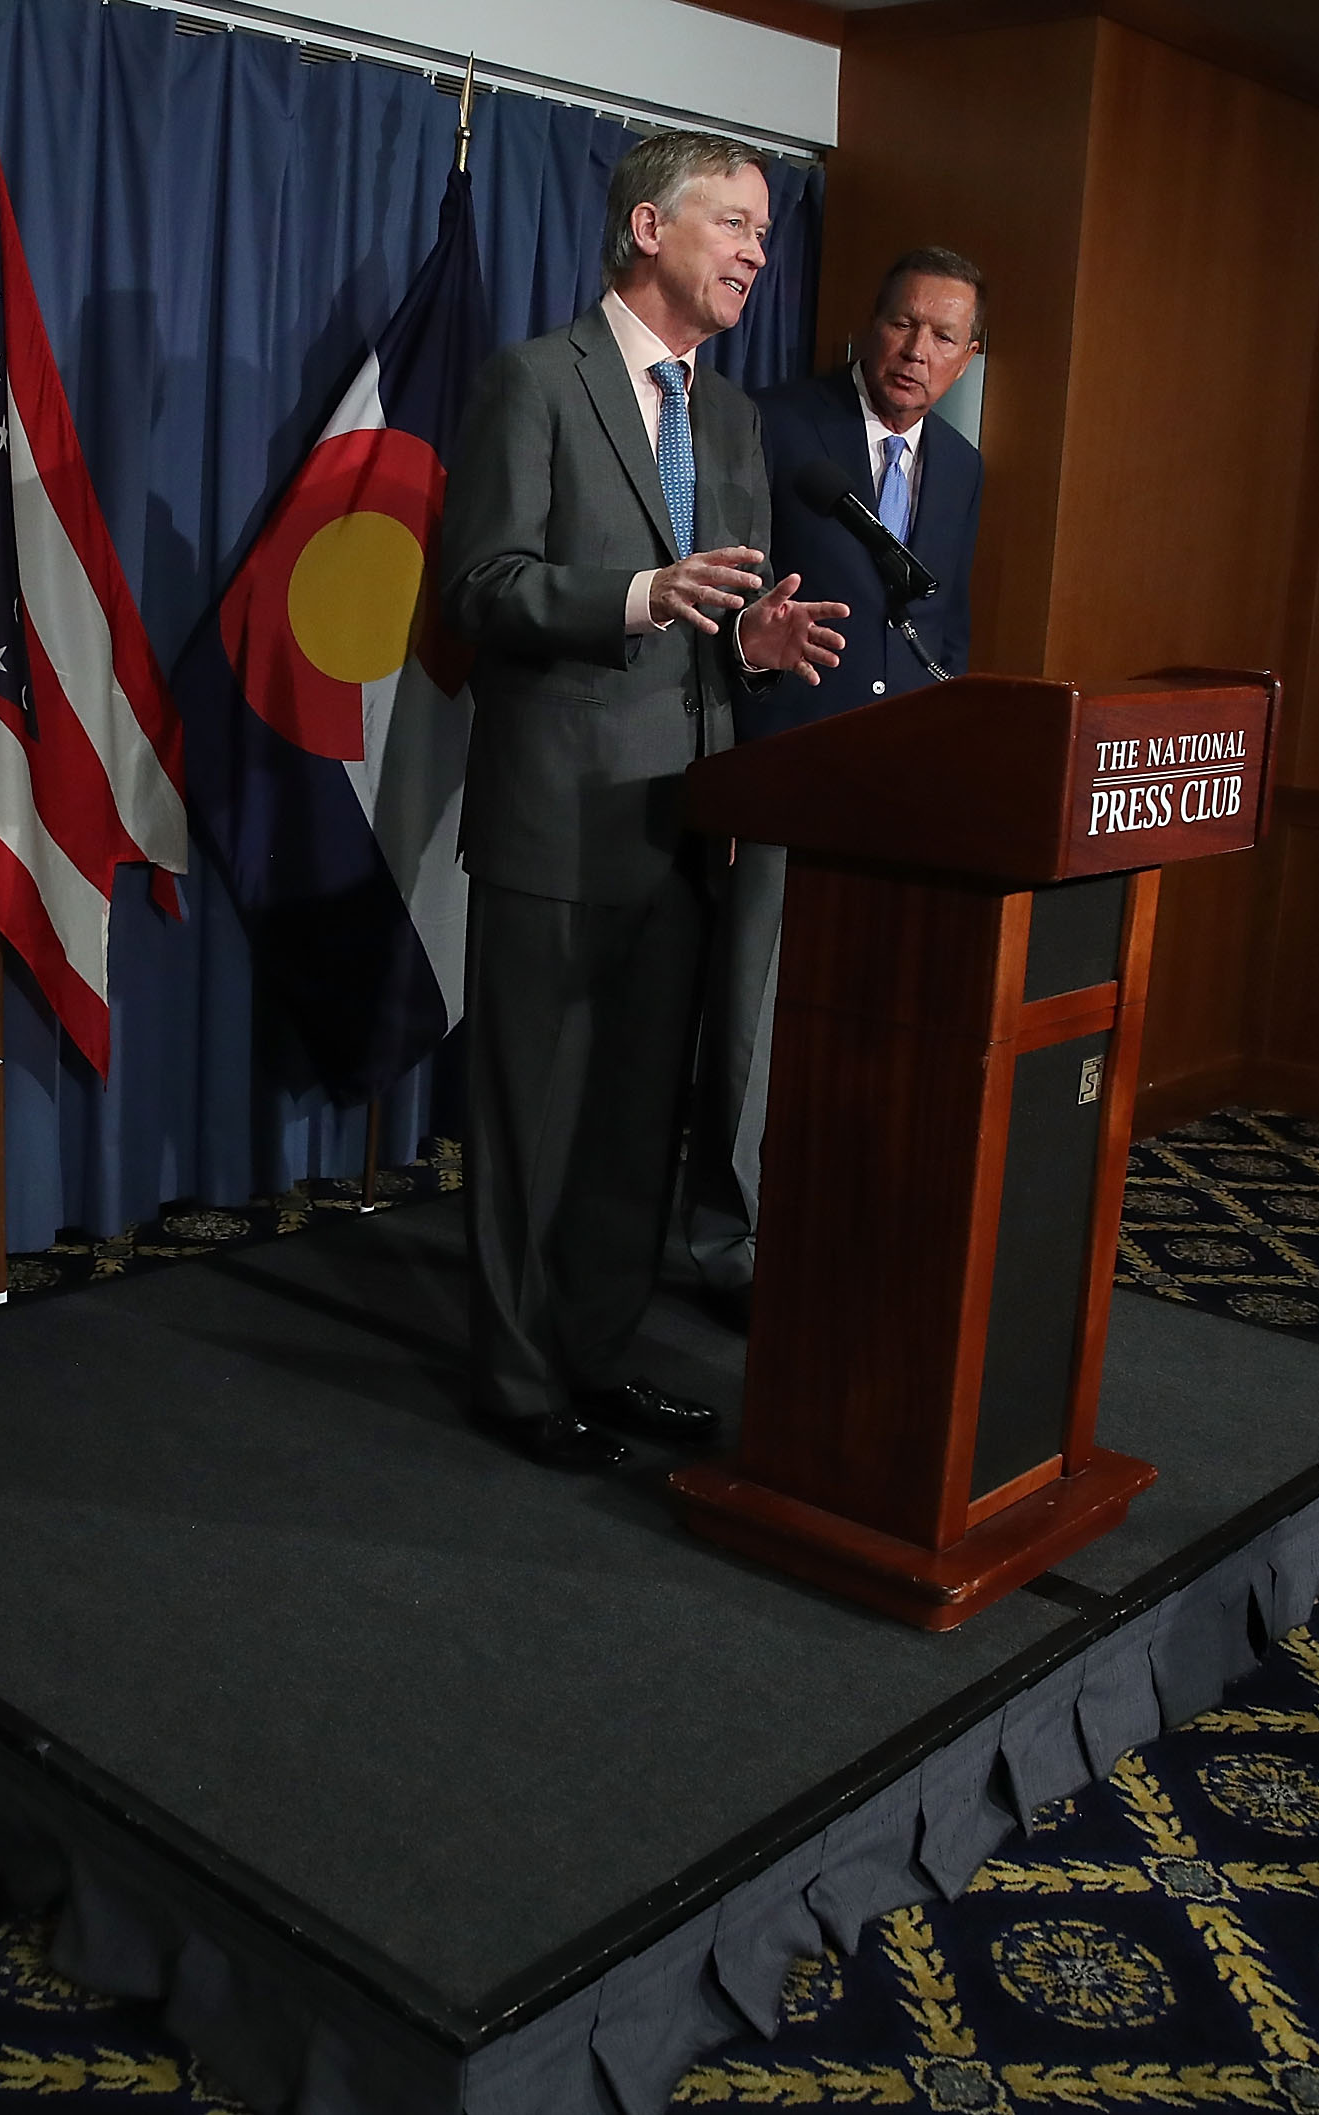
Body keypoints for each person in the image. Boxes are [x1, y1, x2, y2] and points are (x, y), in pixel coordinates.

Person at [440, 132, 847, 1470]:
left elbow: (712, 612)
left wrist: (754, 643)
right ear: (645, 227)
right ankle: (513, 1376)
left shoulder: (730, 417)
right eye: (734, 223)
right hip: (556, 821)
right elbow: (482, 588)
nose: (754, 253)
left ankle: (599, 1352)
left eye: (767, 235)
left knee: (632, 1128)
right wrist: (631, 597)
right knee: (533, 1121)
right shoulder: (533, 381)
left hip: (686, 825)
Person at [684, 248, 988, 1316]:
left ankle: (827, 1228)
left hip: (892, 798)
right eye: (904, 324)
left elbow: (941, 628)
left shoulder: (959, 466)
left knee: (865, 1028)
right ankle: (729, 1248)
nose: (917, 350)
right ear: (871, 324)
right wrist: (725, 766)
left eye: (943, 336)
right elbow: (715, 590)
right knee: (751, 1031)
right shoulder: (772, 423)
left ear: (967, 358)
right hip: (782, 770)